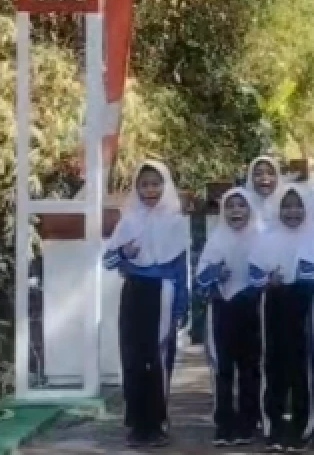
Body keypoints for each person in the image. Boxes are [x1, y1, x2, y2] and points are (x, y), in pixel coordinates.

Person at [103, 161, 191, 449]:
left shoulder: (177, 222)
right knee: (132, 358)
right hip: (135, 294)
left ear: (165, 187)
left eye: (156, 184)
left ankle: (157, 424)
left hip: (163, 293)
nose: (150, 190)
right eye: (144, 185)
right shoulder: (128, 221)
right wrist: (125, 252)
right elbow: (108, 261)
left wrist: (181, 306)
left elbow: (180, 269)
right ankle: (136, 423)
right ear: (137, 189)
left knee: (159, 360)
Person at [250, 183, 314, 453]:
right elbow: (253, 274)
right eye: (286, 206)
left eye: (298, 205)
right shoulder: (266, 238)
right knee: (274, 365)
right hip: (275, 306)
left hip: (306, 306)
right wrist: (269, 281)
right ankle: (274, 426)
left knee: (303, 367)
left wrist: (308, 277)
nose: (292, 211)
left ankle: (303, 427)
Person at [197, 187, 265, 447]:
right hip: (222, 309)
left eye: (241, 205)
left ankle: (248, 422)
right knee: (222, 369)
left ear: (250, 209)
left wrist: (253, 289)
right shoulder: (216, 240)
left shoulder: (261, 238)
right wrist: (216, 274)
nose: (236, 211)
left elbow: (267, 271)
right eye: (230, 206)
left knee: (250, 368)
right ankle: (223, 424)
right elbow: (201, 278)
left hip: (251, 308)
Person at [247, 155, 283, 224]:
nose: (264, 177)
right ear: (251, 178)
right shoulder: (241, 206)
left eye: (270, 173)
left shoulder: (288, 206)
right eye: (258, 174)